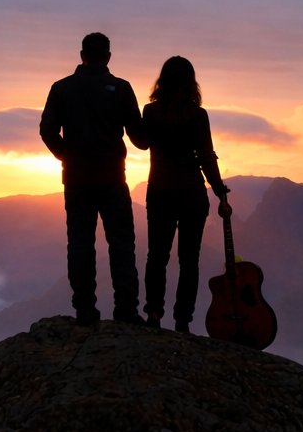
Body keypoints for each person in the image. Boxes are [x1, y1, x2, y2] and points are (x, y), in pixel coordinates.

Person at [39, 32, 147, 325]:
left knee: (80, 242)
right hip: (113, 178)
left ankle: (85, 310)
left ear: (81, 55)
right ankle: (126, 310)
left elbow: (47, 130)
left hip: (76, 180)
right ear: (108, 56)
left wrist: (66, 156)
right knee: (121, 243)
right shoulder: (121, 88)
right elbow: (140, 138)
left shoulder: (61, 88)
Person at [140, 55, 230, 333]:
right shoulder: (197, 115)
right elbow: (206, 156)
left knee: (157, 256)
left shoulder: (151, 112)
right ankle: (182, 320)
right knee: (189, 260)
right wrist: (219, 190)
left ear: (162, 80)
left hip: (160, 191)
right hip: (192, 192)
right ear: (191, 82)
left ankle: (154, 312)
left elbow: (142, 143)